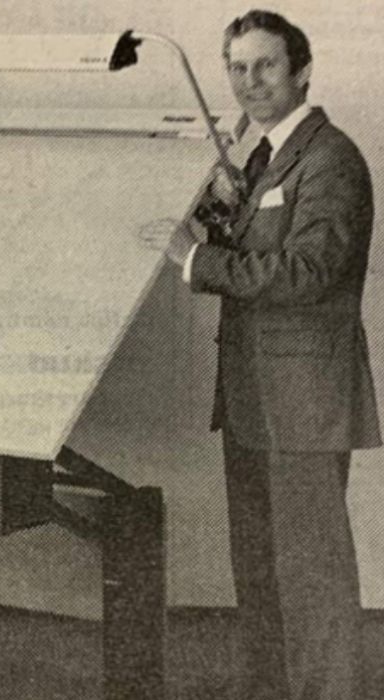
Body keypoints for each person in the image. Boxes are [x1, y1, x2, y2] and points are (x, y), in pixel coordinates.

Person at [162, 10, 380, 699]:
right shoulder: (262, 158)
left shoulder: (331, 157)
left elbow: (309, 273)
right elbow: (263, 248)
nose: (249, 82)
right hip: (254, 398)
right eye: (237, 67)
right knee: (259, 567)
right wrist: (220, 217)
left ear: (302, 70)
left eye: (266, 65)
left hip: (304, 404)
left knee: (312, 573)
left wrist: (196, 260)